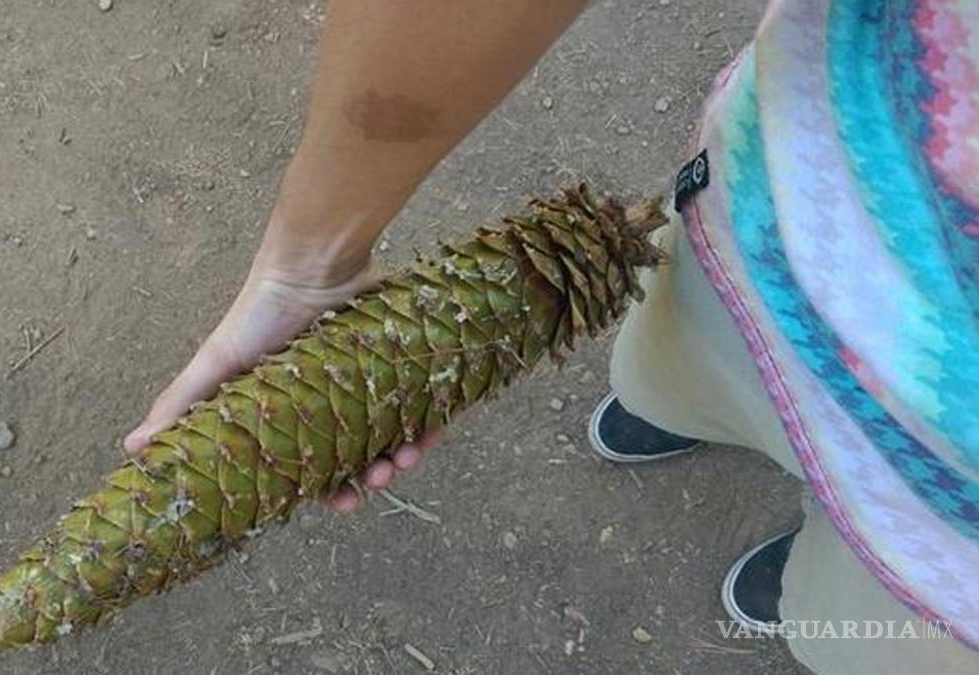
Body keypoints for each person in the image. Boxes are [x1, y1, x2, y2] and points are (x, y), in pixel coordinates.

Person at [122, 1, 979, 672]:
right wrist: (306, 263)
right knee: (681, 360)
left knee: (858, 614)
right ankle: (679, 405)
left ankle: (818, 588)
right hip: (782, 227)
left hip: (951, 538)